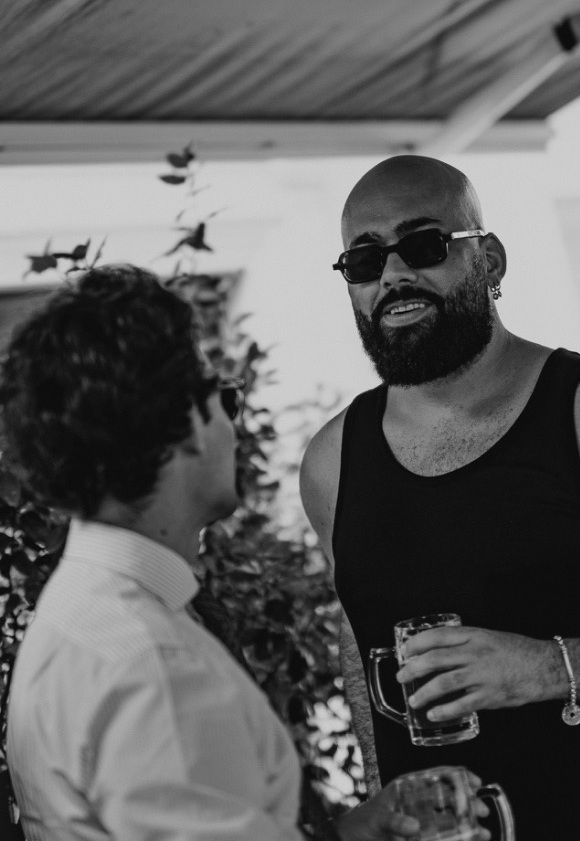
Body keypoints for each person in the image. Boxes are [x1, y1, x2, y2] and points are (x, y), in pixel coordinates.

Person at [1, 263, 435, 841]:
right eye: (225, 399)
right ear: (184, 423)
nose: (236, 428)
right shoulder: (154, 666)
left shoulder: (82, 607)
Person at [300, 154, 580, 841]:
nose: (392, 275)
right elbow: (358, 646)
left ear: (489, 259)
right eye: (364, 260)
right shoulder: (330, 460)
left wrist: (547, 668)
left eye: (423, 245)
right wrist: (381, 797)